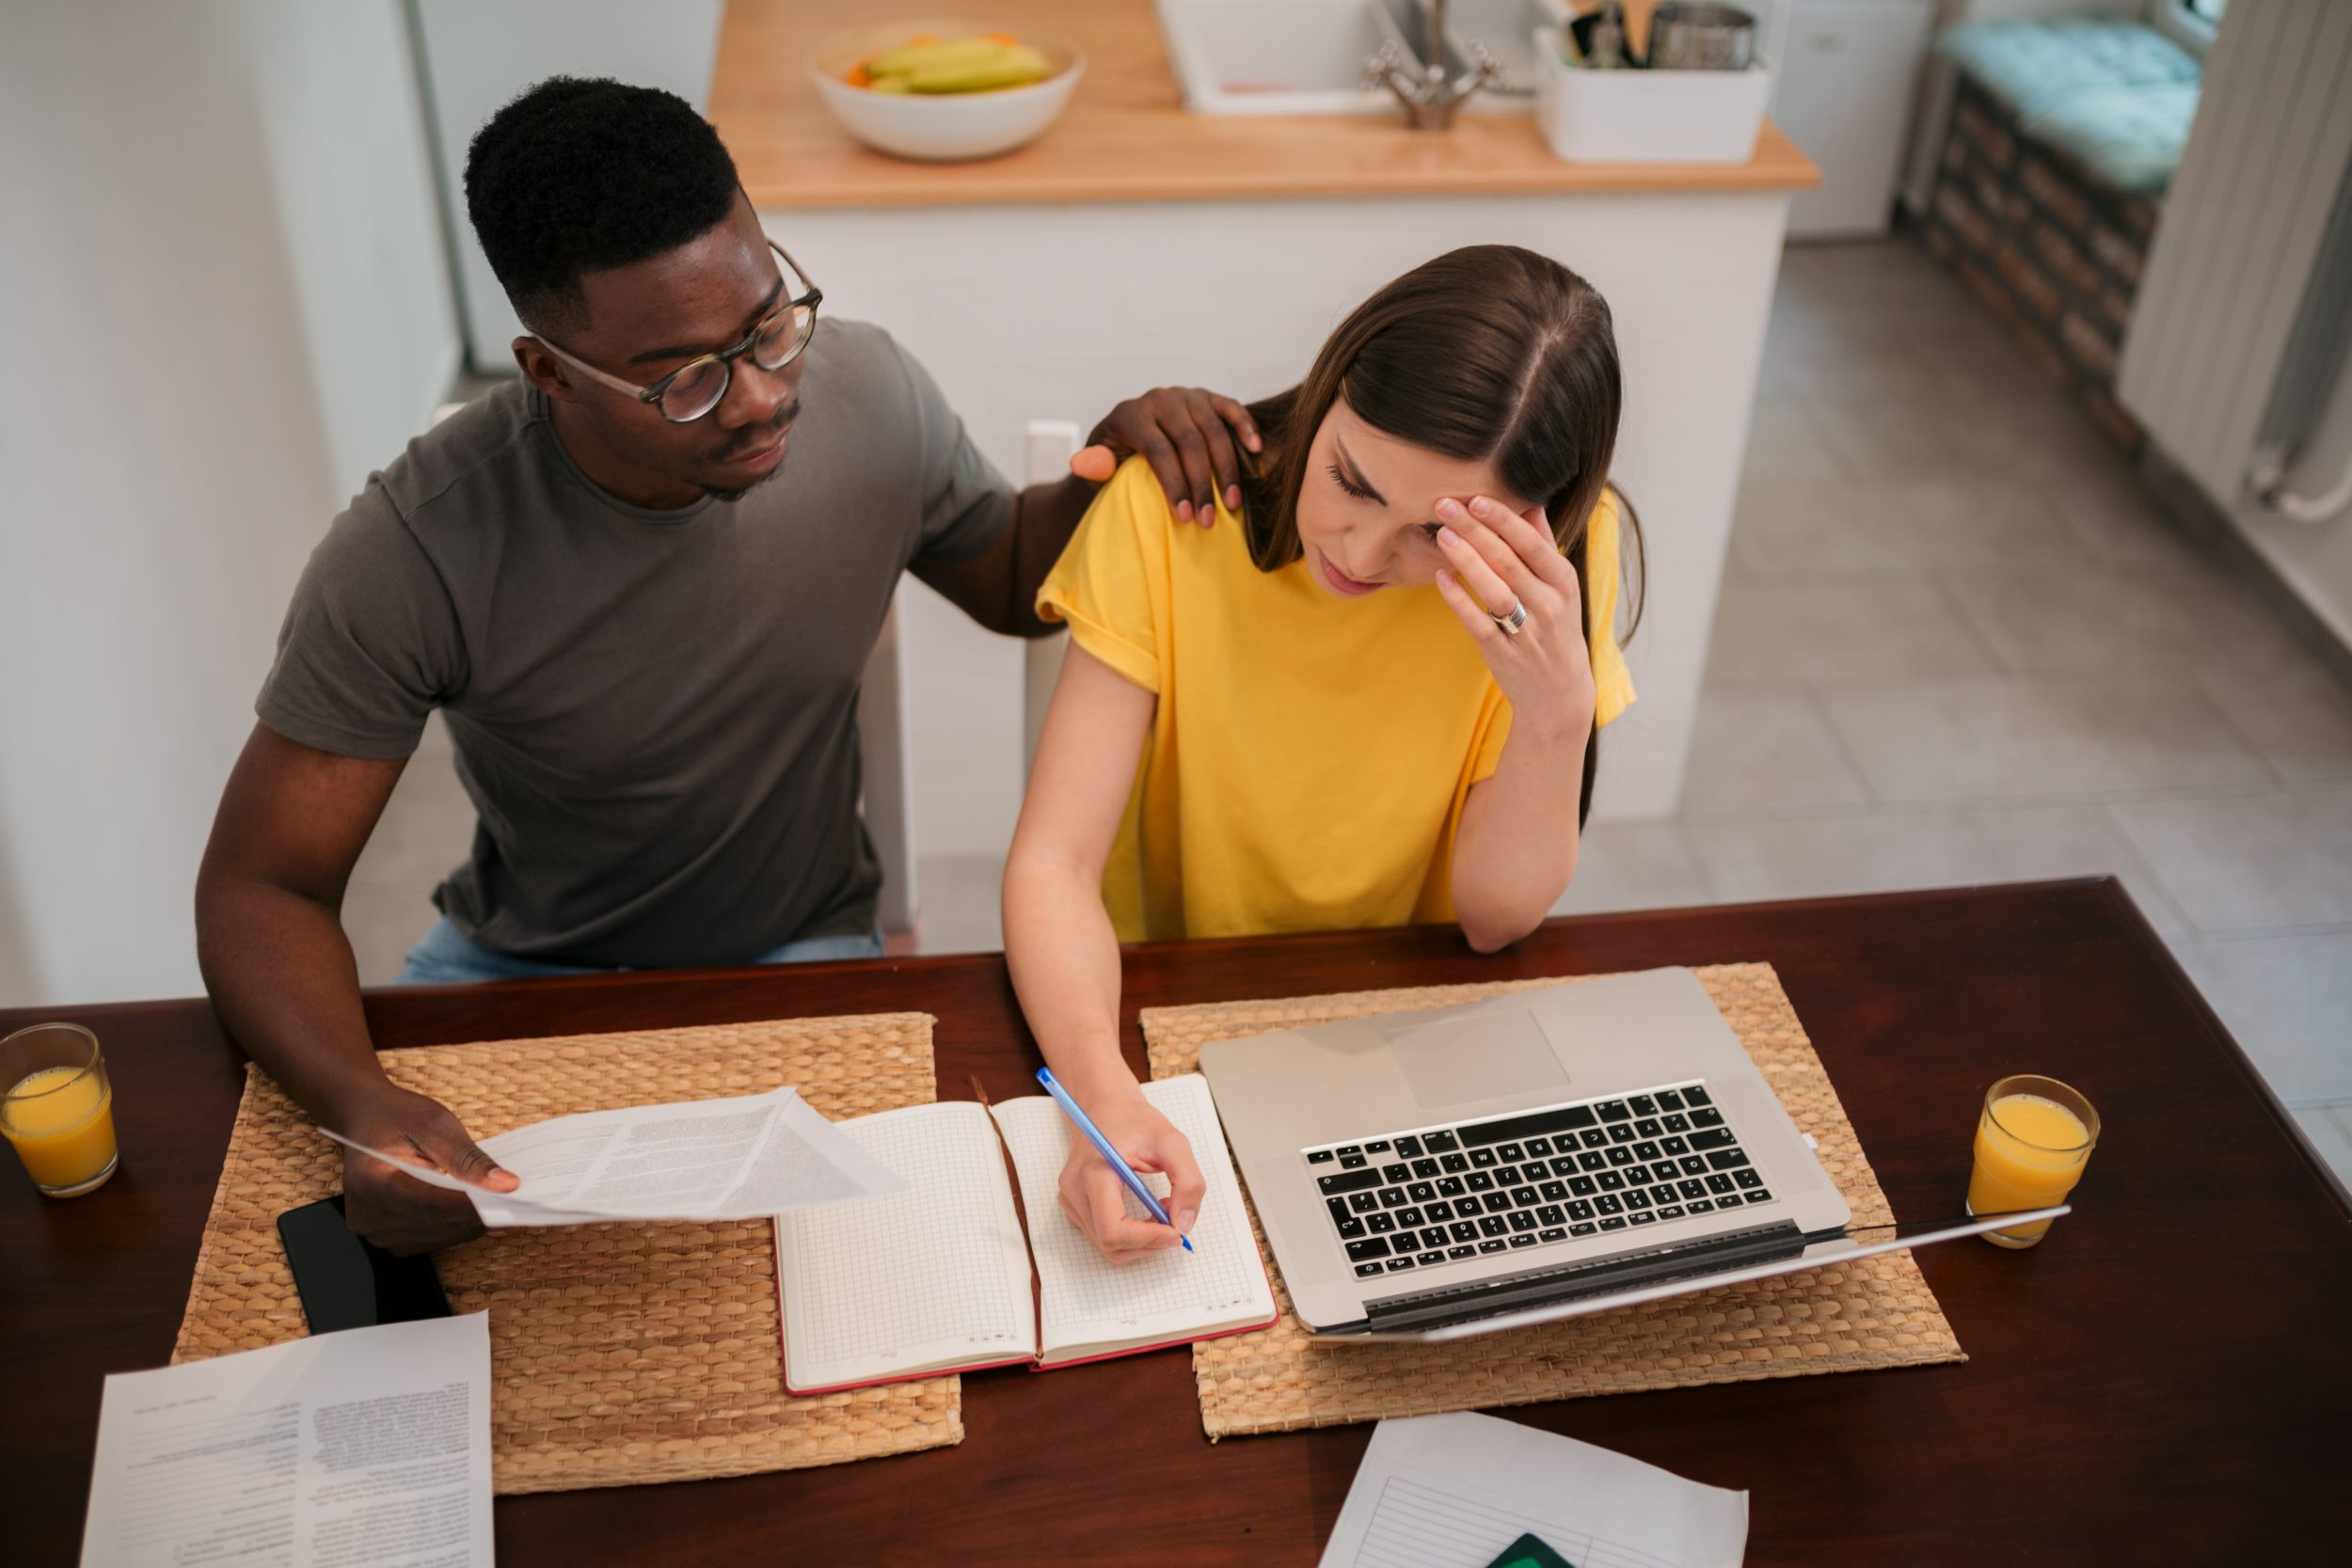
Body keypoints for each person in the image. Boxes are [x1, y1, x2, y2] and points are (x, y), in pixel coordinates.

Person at [193, 77, 1260, 1256]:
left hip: (798, 942)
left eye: (767, 324)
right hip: (522, 962)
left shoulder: (866, 393)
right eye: (682, 377)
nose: (761, 397)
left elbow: (1008, 579)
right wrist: (362, 1101)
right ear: (546, 371)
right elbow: (261, 887)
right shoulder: (416, 546)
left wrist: (1116, 462)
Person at [1002, 245, 1643, 1264]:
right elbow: (1052, 863)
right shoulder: (1174, 514)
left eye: (1433, 534)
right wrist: (1102, 1096)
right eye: (1350, 479)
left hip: (1414, 1033)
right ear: (1333, 379)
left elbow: (1494, 919)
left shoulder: (1556, 572)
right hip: (1164, 1012)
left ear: (1531, 526)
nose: (1357, 550)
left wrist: (1557, 712)